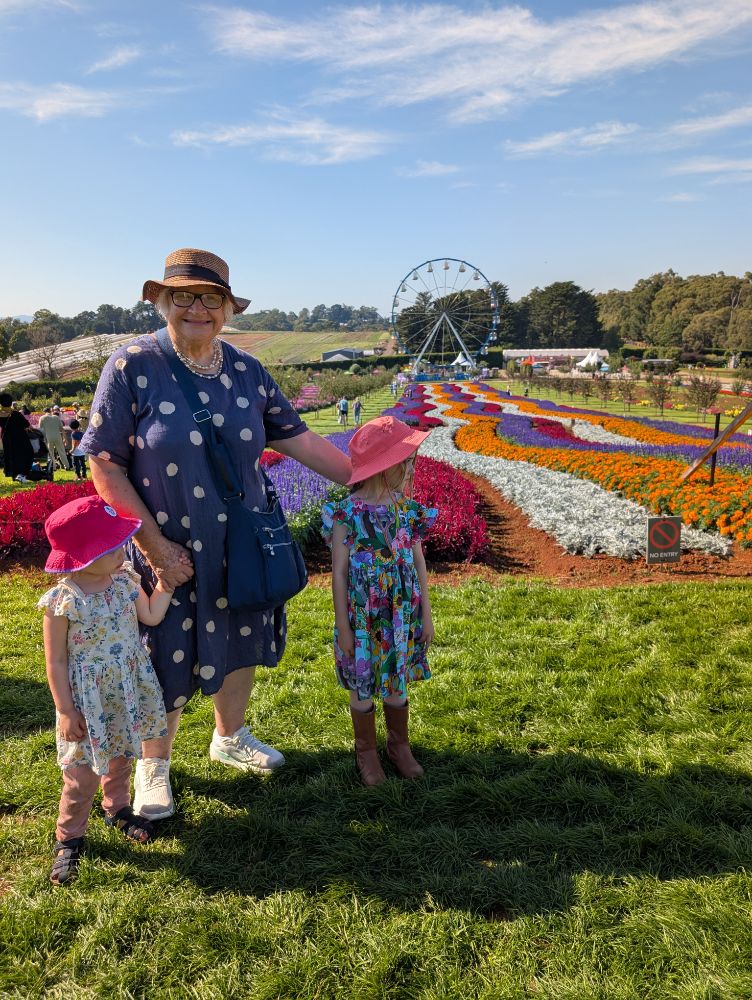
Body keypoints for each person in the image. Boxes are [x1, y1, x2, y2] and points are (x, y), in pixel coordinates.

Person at [82, 247, 351, 821]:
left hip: (242, 543)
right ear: (161, 303)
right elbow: (103, 462)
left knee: (241, 633)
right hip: (167, 548)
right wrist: (155, 547)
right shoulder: (133, 365)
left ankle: (229, 735)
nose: (196, 308)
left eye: (209, 297)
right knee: (164, 653)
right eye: (182, 296)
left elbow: (298, 439)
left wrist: (369, 474)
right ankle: (155, 766)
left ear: (228, 308)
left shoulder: (248, 371)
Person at [39, 496, 172, 885]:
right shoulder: (62, 602)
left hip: (125, 689)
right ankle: (69, 838)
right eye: (110, 546)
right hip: (87, 700)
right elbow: (56, 663)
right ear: (83, 555)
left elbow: (151, 614)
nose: (120, 550)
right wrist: (65, 710)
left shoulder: (126, 581)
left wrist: (163, 585)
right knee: (81, 776)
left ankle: (117, 808)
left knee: (122, 755)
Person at [321, 415, 437, 787]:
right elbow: (338, 573)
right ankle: (366, 751)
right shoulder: (347, 514)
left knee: (397, 679)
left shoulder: (408, 510)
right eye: (405, 460)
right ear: (386, 466)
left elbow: (418, 563)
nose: (410, 466)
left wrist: (427, 616)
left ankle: (398, 746)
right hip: (363, 617)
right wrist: (343, 627)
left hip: (401, 614)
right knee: (362, 682)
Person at [0, 392, 37, 482]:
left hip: (6, 438)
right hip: (20, 438)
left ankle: (13, 475)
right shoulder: (16, 414)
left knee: (10, 456)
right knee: (26, 454)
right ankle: (22, 474)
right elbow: (28, 426)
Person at [39, 407, 71, 471]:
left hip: (48, 437)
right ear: (50, 411)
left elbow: (40, 430)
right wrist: (65, 439)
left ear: (44, 412)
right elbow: (62, 429)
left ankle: (53, 467)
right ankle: (67, 466)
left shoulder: (42, 418)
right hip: (58, 437)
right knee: (62, 452)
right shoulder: (56, 417)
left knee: (50, 453)